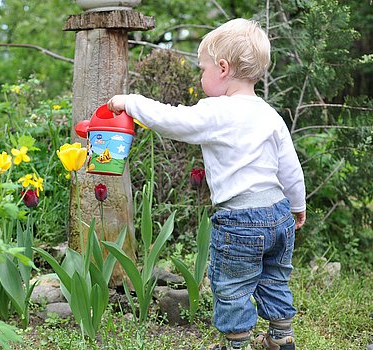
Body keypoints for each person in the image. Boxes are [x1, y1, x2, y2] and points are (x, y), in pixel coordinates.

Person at [107, 18, 306, 350]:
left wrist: (130, 103)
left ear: (223, 69)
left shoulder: (218, 111)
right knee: (274, 279)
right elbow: (291, 169)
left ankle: (236, 344)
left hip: (240, 220)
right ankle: (280, 336)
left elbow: (171, 121)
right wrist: (297, 206)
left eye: (203, 69)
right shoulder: (270, 115)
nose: (201, 77)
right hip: (279, 213)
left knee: (232, 286)